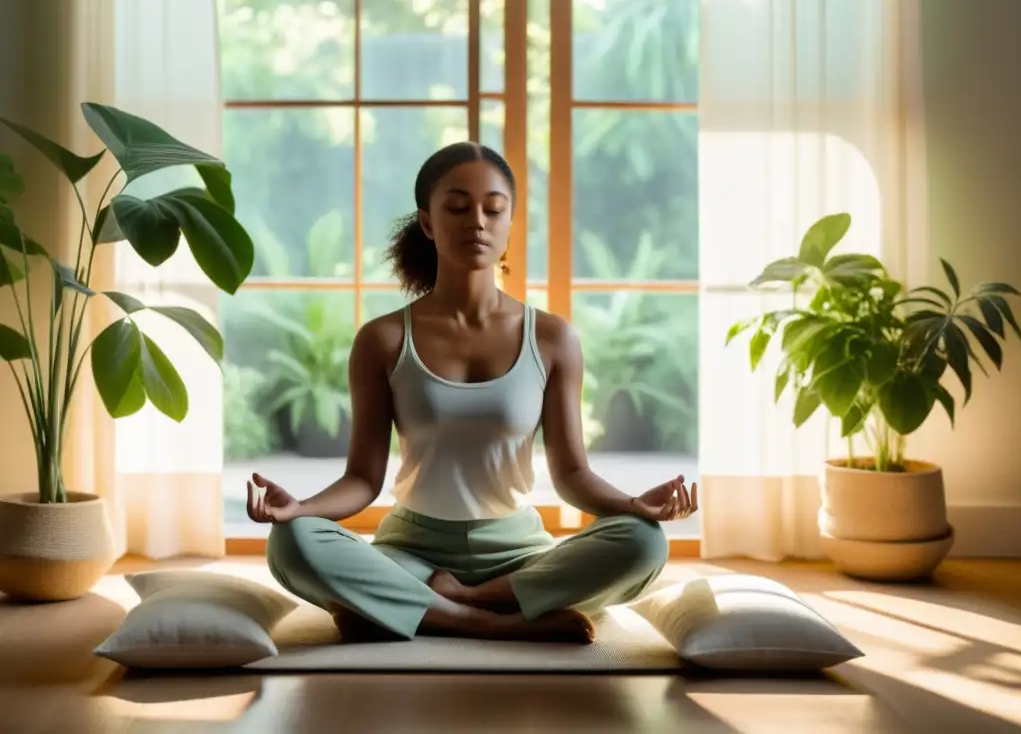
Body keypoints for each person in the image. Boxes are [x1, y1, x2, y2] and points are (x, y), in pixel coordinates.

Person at [246, 141, 698, 644]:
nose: (477, 222)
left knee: (643, 544)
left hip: (517, 555)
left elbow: (572, 475)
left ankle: (435, 605)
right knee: (291, 544)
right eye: (457, 208)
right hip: (411, 552)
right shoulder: (384, 339)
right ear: (427, 223)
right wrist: (300, 510)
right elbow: (362, 479)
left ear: (509, 223)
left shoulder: (551, 337)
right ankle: (489, 621)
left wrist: (636, 505)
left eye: (494, 209)